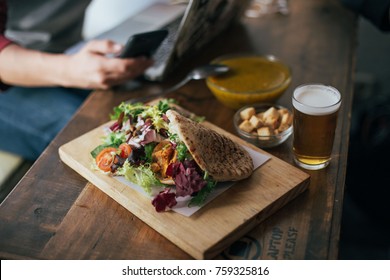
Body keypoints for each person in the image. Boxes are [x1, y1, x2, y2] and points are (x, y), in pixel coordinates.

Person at [0, 0, 153, 161]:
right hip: (8, 73)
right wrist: (70, 69)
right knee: (90, 138)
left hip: (66, 51)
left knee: (138, 118)